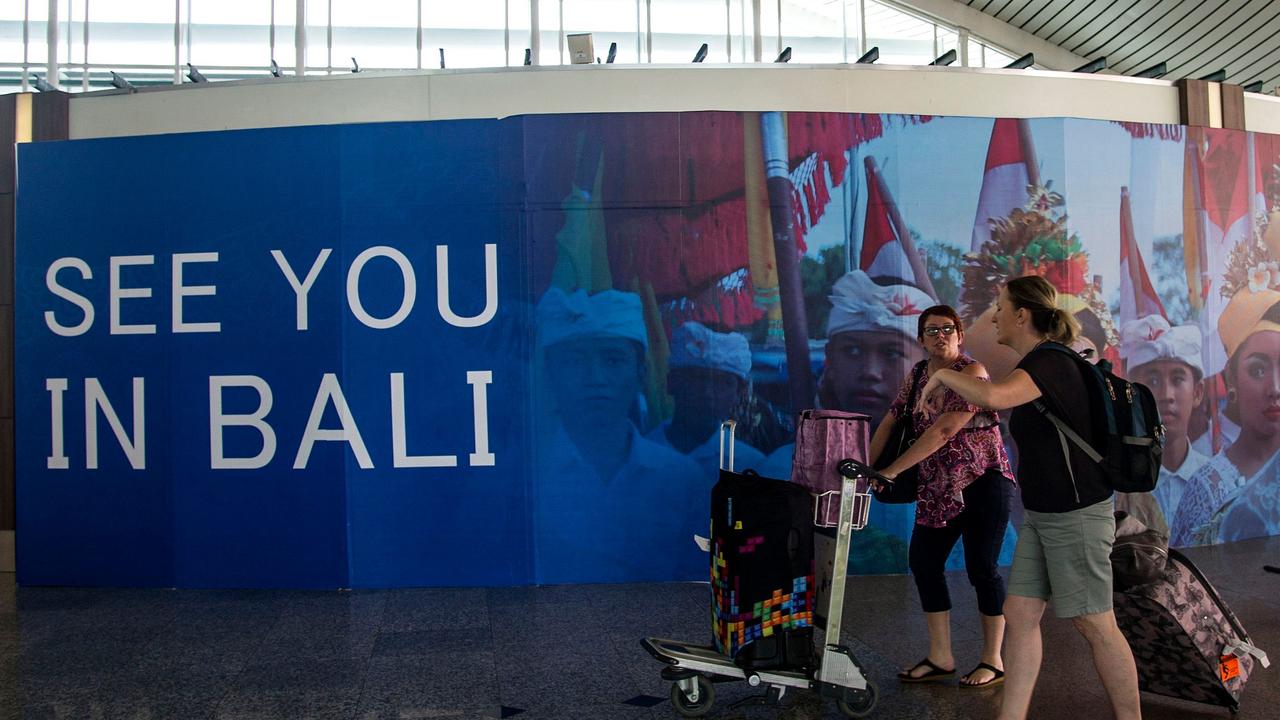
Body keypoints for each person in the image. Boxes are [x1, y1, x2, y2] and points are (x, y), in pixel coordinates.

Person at [916, 275, 1141, 720]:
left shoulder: (1052, 363)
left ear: (1023, 315)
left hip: (1075, 515)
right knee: (1019, 613)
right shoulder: (1040, 362)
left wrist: (943, 373)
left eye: (1000, 306)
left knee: (1095, 622)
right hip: (1045, 515)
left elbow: (994, 396)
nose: (995, 314)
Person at [868, 305, 1014, 689]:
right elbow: (893, 417)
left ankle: (993, 659)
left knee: (982, 568)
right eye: (931, 331)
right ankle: (940, 656)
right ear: (921, 339)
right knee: (923, 562)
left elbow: (945, 429)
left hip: (983, 483)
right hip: (937, 488)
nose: (940, 336)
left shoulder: (973, 372)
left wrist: (893, 469)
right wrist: (869, 468)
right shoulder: (917, 374)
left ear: (960, 335)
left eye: (948, 329)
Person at [758, 270, 932, 573]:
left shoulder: (951, 471)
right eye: (852, 350)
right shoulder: (780, 469)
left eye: (892, 353)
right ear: (830, 360)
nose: (870, 372)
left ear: (925, 369)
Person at [534, 287, 706, 584]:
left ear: (641, 374)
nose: (595, 379)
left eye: (613, 360)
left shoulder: (681, 479)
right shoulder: (522, 476)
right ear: (550, 376)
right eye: (575, 362)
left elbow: (697, 582)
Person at [1170, 291, 1280, 547]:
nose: (1275, 388)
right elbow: (1188, 581)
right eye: (1258, 370)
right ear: (1231, 381)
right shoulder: (1207, 489)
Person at [1118, 316, 1208, 535]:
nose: (1167, 396)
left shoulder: (1212, 480)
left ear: (1197, 393)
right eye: (1153, 381)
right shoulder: (1116, 482)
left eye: (1177, 380)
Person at [647, 321, 765, 474]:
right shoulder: (634, 459)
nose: (708, 393)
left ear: (739, 392)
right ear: (671, 383)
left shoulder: (751, 466)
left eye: (722, 383)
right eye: (697, 378)